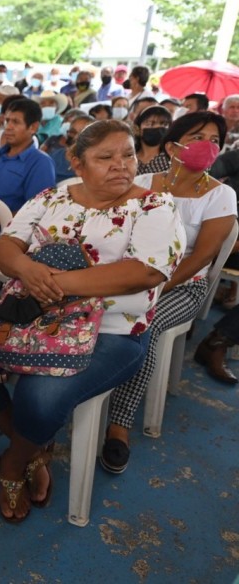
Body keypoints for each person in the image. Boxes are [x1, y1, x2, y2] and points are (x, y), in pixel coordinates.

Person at [0, 119, 184, 523]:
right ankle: (35, 446)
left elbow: (146, 271)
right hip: (30, 313)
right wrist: (28, 272)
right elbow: (9, 245)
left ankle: (14, 463)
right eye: (105, 157)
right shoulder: (54, 196)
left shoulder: (156, 206)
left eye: (128, 155)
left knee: (40, 398)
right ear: (77, 162)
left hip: (113, 329)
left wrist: (56, 282)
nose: (121, 165)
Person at [102, 112, 236, 473]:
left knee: (147, 321)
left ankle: (119, 421)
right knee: (87, 307)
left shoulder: (221, 196)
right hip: (131, 273)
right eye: (196, 136)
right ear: (172, 146)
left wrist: (155, 286)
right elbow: (117, 234)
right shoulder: (143, 181)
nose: (206, 145)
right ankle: (86, 386)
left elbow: (203, 256)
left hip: (182, 285)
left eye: (213, 139)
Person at [0, 98, 55, 213]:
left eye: (15, 122)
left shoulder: (40, 163)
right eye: (7, 121)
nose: (8, 127)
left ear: (33, 127)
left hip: (5, 228)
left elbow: (36, 211)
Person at [135, 105, 172, 175]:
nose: (157, 127)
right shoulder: (129, 156)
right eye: (150, 124)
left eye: (164, 124)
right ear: (138, 128)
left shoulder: (170, 159)